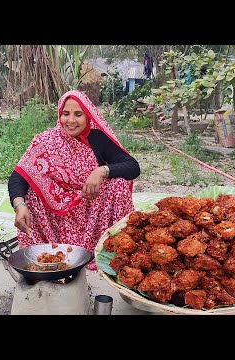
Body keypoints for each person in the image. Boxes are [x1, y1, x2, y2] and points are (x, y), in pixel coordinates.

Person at [8, 90, 140, 270]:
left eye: (78, 114)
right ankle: (48, 248)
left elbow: (132, 167)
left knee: (118, 184)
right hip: (57, 212)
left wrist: (101, 170)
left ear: (88, 116)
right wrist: (19, 205)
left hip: (92, 208)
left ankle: (109, 246)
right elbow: (19, 176)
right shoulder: (46, 141)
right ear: (59, 114)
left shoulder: (97, 138)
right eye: (65, 114)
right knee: (31, 193)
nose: (71, 121)